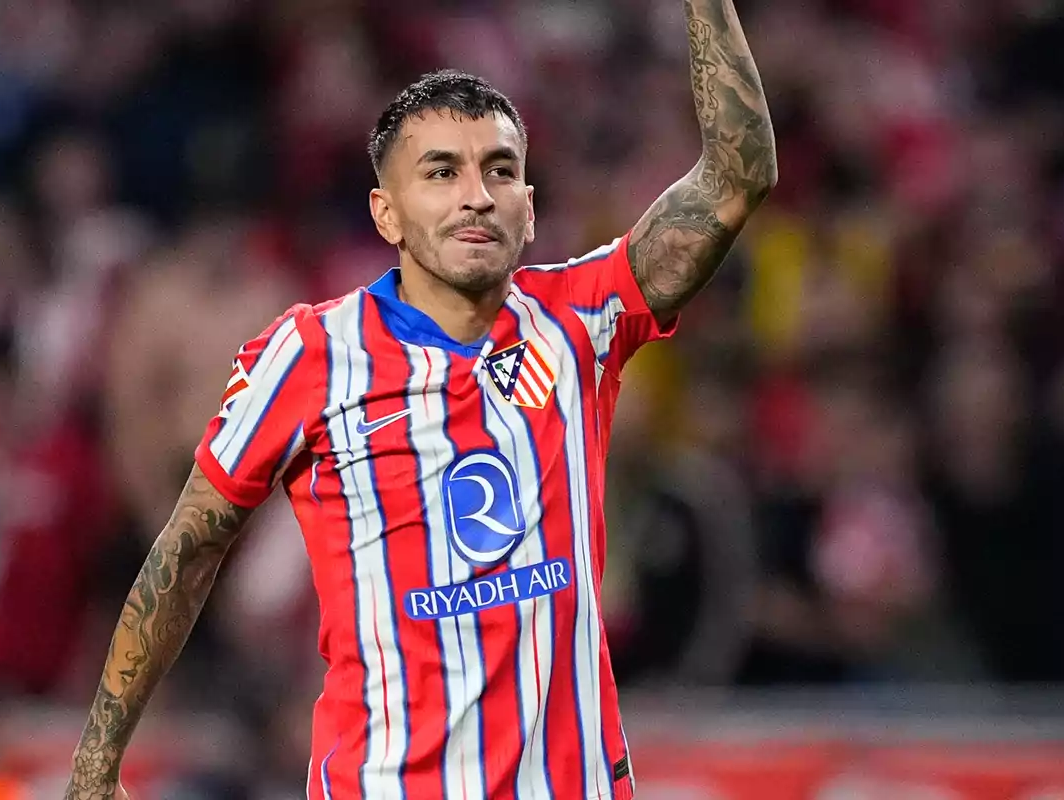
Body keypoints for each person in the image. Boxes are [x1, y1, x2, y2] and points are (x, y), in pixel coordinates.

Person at [63, 1, 777, 797]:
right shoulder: (311, 354)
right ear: (386, 213)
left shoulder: (584, 319)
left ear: (530, 208)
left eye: (499, 171)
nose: (476, 195)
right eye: (441, 172)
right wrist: (97, 765)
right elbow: (185, 552)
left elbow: (738, 174)